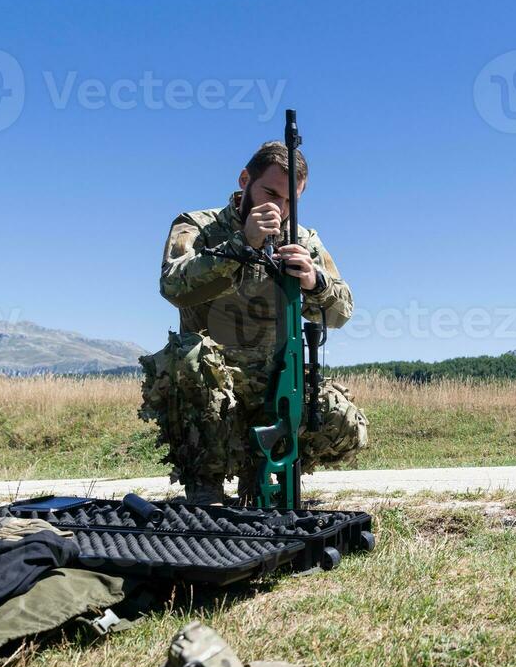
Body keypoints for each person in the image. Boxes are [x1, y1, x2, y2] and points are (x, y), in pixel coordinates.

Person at [138, 139, 367, 505]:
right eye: (271, 193)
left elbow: (341, 312)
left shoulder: (304, 240)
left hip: (274, 384)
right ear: (245, 180)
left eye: (291, 200)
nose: (280, 208)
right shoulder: (198, 226)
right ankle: (205, 490)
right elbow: (173, 286)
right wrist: (241, 245)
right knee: (188, 355)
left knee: (343, 420)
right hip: (213, 386)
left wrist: (314, 282)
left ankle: (266, 478)